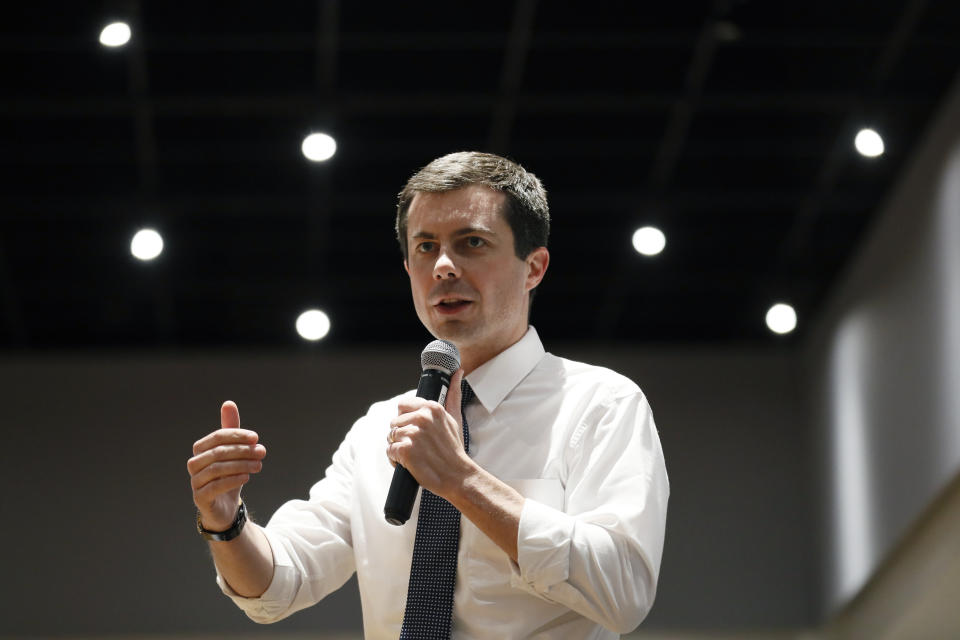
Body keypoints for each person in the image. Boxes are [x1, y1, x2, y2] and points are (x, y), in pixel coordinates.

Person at [187, 151, 669, 639]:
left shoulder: (601, 404)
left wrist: (460, 479)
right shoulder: (377, 428)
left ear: (534, 267)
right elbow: (278, 586)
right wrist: (226, 523)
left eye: (472, 242)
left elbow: (624, 591)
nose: (442, 266)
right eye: (425, 247)